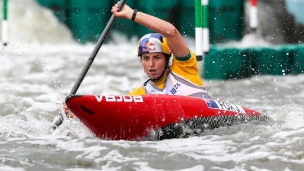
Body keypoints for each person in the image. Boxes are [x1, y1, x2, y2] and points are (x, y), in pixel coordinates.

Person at [61, 2, 211, 118]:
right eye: (146, 58)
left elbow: (171, 32)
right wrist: (78, 112)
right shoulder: (141, 94)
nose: (151, 64)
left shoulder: (185, 69)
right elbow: (113, 113)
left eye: (157, 58)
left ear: (167, 59)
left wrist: (131, 14)